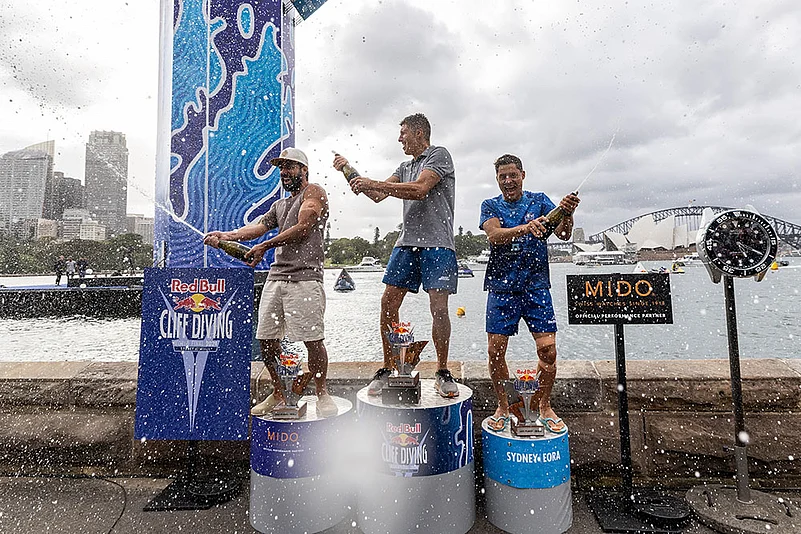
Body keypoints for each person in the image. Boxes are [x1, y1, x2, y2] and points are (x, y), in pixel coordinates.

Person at [333, 113, 459, 398]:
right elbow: (377, 195)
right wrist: (350, 172)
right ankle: (389, 367)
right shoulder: (404, 167)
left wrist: (372, 182)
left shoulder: (439, 155)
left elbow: (419, 189)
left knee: (438, 308)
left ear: (418, 132)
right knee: (388, 303)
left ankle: (441, 370)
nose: (399, 138)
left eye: (403, 133)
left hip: (438, 243)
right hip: (407, 243)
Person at [204, 147, 337, 417]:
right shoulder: (279, 205)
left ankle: (323, 393)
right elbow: (257, 227)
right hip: (276, 279)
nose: (284, 172)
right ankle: (279, 393)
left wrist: (265, 246)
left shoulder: (314, 193)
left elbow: (304, 227)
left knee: (313, 340)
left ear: (304, 170)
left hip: (305, 278)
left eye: (290, 166)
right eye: (281, 167)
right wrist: (227, 236)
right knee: (267, 339)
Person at [479, 154, 580, 433]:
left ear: (523, 175)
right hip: (502, 288)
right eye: (503, 177)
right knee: (495, 352)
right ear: (497, 179)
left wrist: (567, 212)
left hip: (536, 286)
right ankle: (502, 406)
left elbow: (563, 234)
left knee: (548, 351)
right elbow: (494, 235)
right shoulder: (490, 205)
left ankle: (542, 406)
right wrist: (526, 227)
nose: (508, 181)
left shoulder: (540, 201)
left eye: (513, 175)